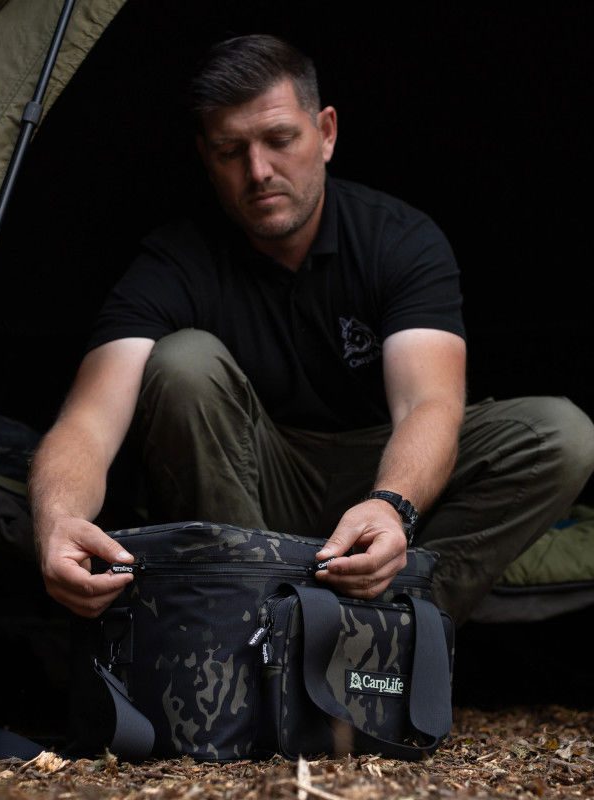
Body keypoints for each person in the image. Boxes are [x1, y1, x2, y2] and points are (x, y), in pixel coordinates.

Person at [29, 34, 594, 626]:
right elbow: (89, 421)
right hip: (252, 480)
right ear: (206, 157)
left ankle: (388, 633)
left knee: (560, 435)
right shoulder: (173, 263)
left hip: (379, 467)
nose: (258, 171)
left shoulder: (397, 239)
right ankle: (251, 630)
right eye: (230, 151)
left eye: (279, 140)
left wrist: (390, 506)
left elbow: (428, 403)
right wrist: (59, 521)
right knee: (183, 362)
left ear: (325, 133)